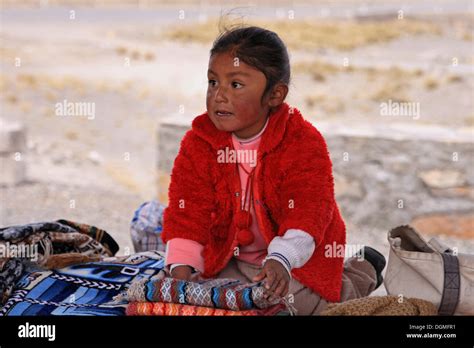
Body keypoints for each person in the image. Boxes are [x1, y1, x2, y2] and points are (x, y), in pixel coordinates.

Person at [154, 26, 386, 315]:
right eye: (213, 82)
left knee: (297, 305)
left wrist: (281, 259)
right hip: (230, 258)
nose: (218, 96)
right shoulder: (199, 142)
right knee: (204, 296)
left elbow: (308, 214)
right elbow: (187, 213)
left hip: (296, 262)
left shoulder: (302, 142)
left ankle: (360, 272)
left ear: (275, 94)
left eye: (235, 85)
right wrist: (181, 267)